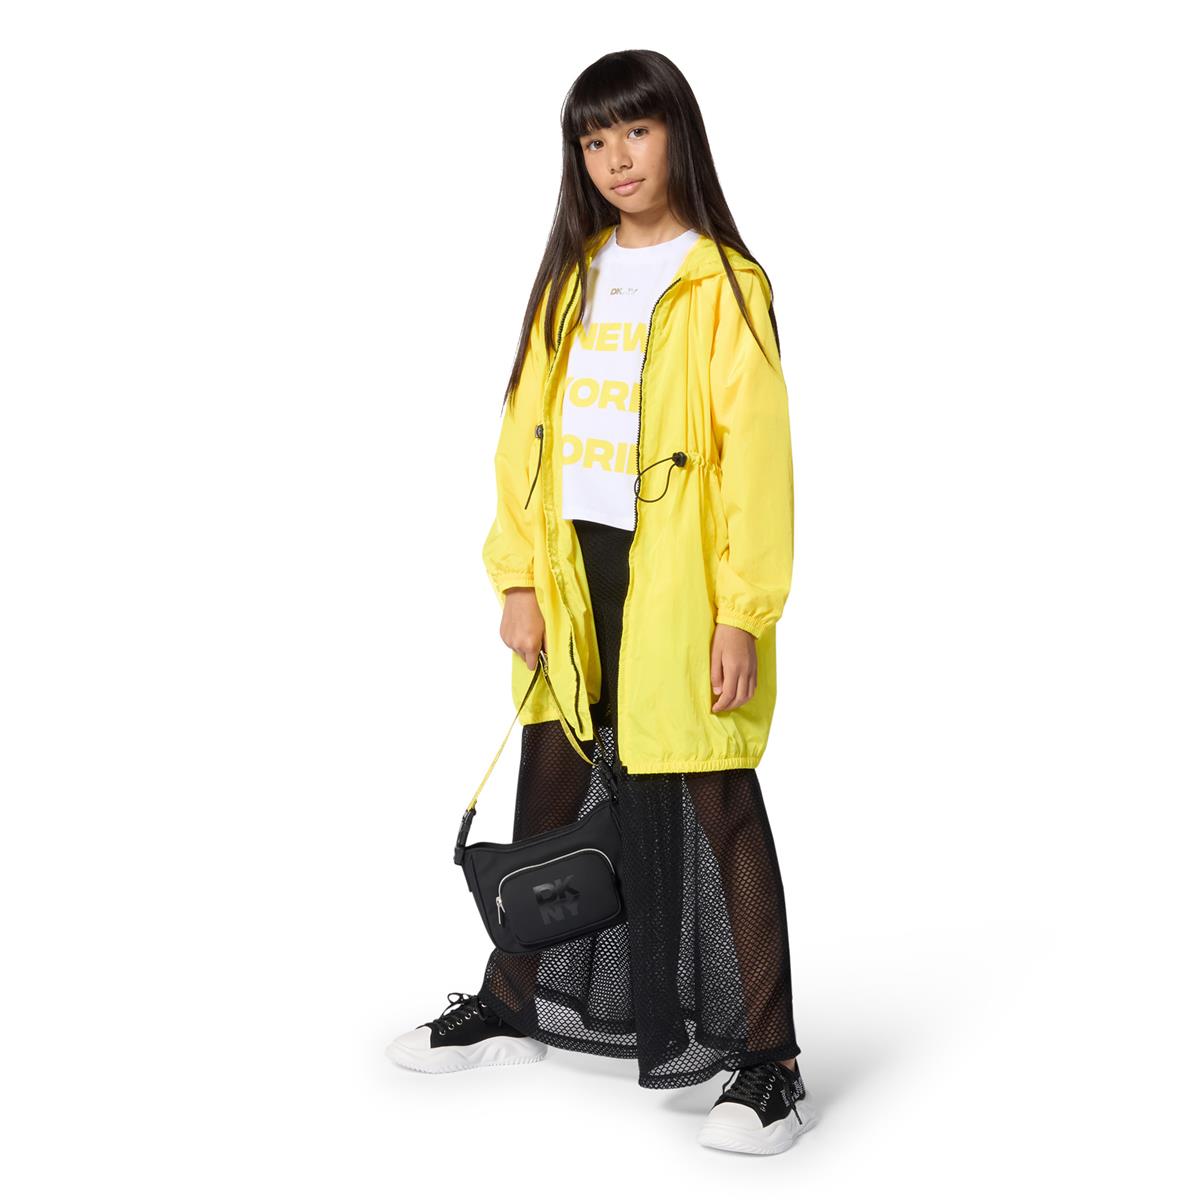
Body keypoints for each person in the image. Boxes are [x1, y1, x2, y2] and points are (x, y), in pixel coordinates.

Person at [387, 49, 817, 1156]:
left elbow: (756, 460)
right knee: (550, 776)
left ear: (678, 135)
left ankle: (771, 1064)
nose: (617, 158)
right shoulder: (570, 281)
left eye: (636, 131)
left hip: (682, 584)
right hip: (574, 576)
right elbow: (521, 440)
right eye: (594, 139)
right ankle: (514, 1002)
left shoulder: (724, 286)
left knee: (718, 795)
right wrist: (517, 577)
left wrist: (742, 613)